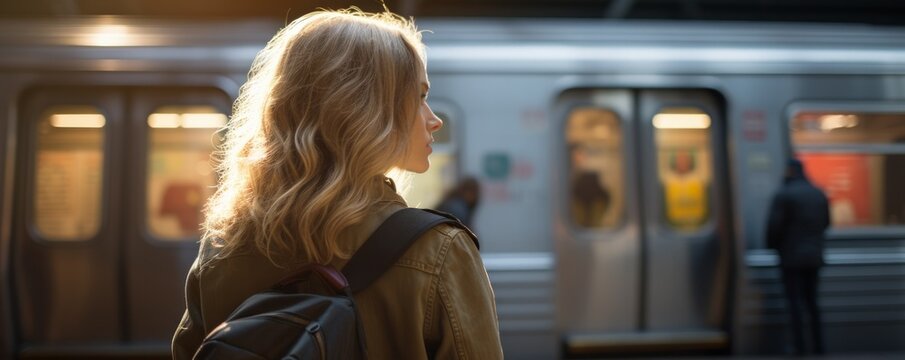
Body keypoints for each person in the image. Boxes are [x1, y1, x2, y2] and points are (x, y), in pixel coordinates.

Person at [171, 9, 503, 359]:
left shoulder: (224, 246)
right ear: (366, 110)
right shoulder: (440, 251)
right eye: (419, 97)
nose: (433, 120)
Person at [766, 158, 831, 356]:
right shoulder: (818, 193)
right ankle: (819, 346)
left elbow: (774, 227)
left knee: (794, 303)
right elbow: (827, 223)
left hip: (791, 257)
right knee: (812, 302)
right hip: (814, 256)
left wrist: (773, 247)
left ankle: (799, 346)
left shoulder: (785, 194)